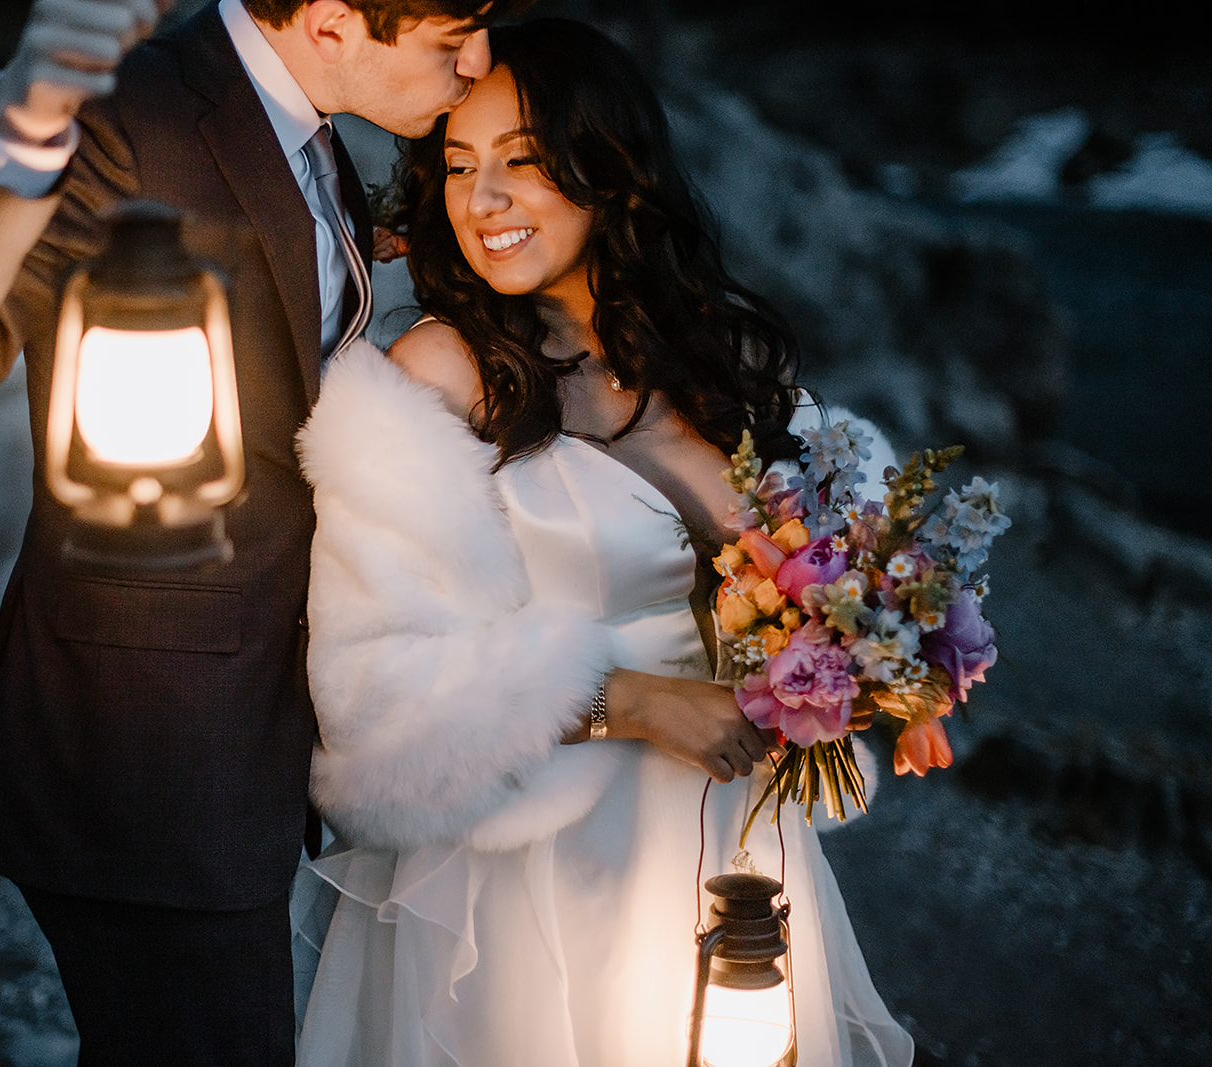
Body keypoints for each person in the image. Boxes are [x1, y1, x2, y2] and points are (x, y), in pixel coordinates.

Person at [0, 1, 529, 1063]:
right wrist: (24, 130)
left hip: (247, 738)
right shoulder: (130, 114)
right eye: (451, 36)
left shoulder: (308, 131)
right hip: (151, 748)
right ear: (333, 23)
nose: (478, 58)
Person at [291, 18, 916, 1065]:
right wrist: (628, 700)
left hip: (735, 840)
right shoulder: (440, 375)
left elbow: (829, 565)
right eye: (458, 166)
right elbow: (361, 686)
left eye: (521, 162)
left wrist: (883, 656)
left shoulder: (718, 364)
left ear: (608, 171)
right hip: (535, 875)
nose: (481, 200)